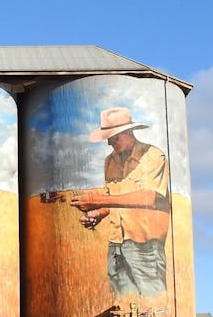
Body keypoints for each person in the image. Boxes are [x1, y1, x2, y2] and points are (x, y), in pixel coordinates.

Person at [70, 107, 170, 298]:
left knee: (153, 300)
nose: (109, 142)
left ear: (128, 133)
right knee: (122, 302)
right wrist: (97, 214)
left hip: (145, 242)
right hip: (116, 241)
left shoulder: (153, 156)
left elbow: (148, 197)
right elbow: (114, 200)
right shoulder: (110, 161)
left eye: (113, 137)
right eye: (108, 137)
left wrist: (97, 200)